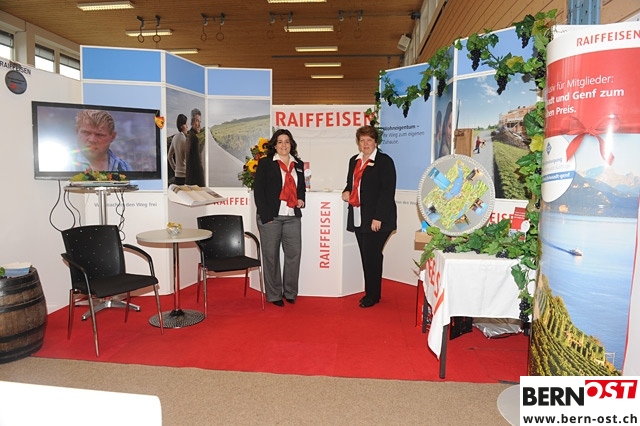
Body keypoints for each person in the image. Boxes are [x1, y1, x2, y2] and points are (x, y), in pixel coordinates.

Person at [342, 125, 397, 308]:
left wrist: (378, 217)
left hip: (378, 219)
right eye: (362, 140)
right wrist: (346, 191)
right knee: (368, 257)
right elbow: (351, 184)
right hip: (359, 216)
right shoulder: (354, 160)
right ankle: (374, 293)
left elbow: (387, 192)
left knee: (372, 256)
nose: (365, 144)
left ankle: (371, 295)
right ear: (358, 142)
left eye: (369, 140)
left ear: (376, 142)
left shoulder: (384, 161)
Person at [253, 129, 306, 307]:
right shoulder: (266, 163)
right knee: (271, 256)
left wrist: (301, 198)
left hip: (292, 217)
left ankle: (290, 292)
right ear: (274, 145)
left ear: (292, 144)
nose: (284, 145)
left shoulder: (298, 164)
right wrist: (265, 216)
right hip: (271, 217)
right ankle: (274, 294)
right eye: (280, 141)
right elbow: (259, 191)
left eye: (287, 141)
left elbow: (301, 188)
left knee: (294, 255)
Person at [185, 108, 205, 187]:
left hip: (189, 181)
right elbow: (198, 165)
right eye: (197, 121)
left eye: (200, 122)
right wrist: (203, 185)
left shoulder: (189, 137)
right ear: (191, 122)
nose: (199, 125)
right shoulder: (194, 139)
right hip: (195, 184)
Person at [168, 114, 188, 185]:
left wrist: (175, 169)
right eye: (185, 124)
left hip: (177, 176)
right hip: (185, 176)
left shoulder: (174, 138)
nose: (187, 127)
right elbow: (188, 158)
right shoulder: (185, 140)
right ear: (181, 126)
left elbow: (169, 156)